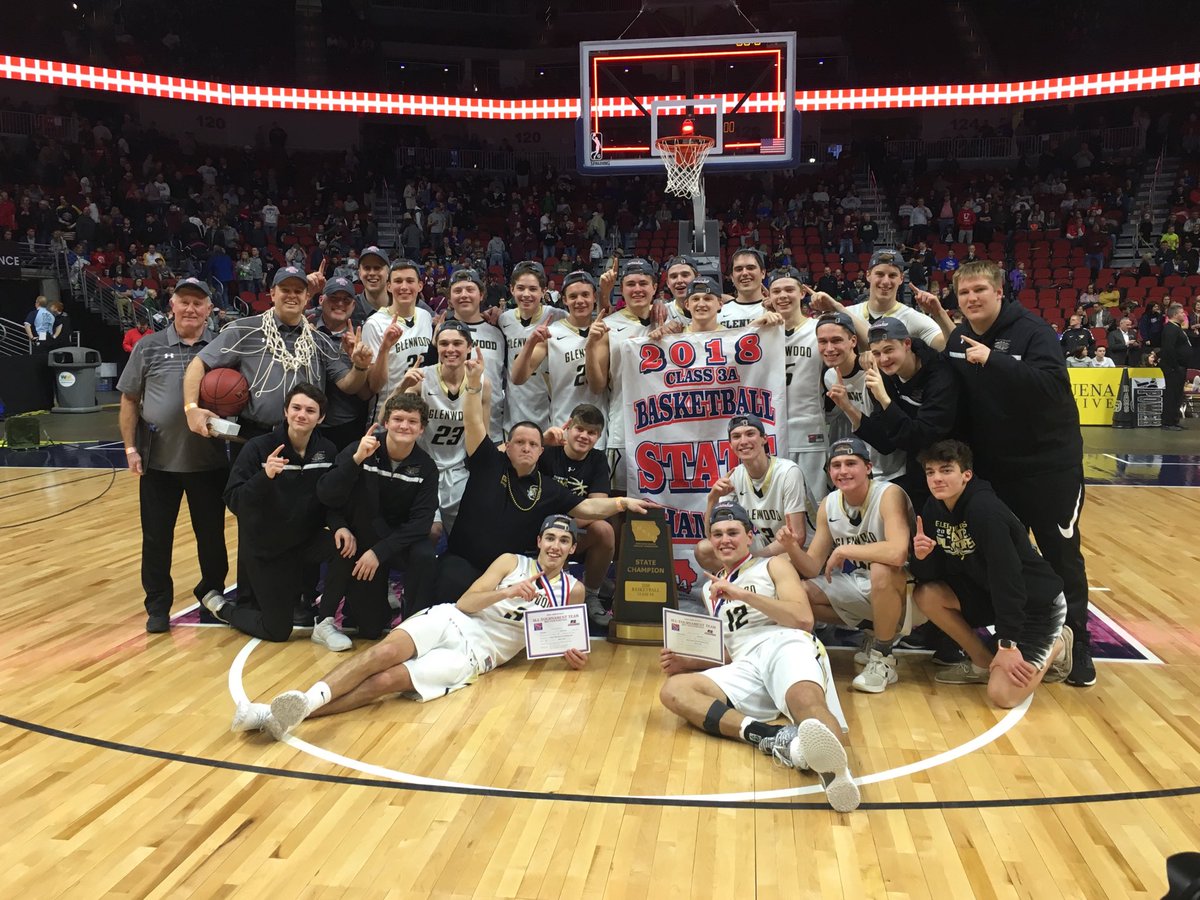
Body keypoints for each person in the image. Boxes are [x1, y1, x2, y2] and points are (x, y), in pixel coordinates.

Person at [231, 514, 587, 739]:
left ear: (572, 549)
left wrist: (568, 655)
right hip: (454, 619)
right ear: (539, 541)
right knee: (383, 653)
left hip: (479, 655)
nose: (556, 546)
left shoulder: (574, 590)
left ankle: (275, 715)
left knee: (387, 682)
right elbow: (466, 602)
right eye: (551, 538)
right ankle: (292, 707)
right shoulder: (512, 562)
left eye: (564, 541)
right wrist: (507, 591)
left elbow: (552, 639)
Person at [939, 260, 1096, 686]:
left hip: (1050, 469)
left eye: (979, 291)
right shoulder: (958, 337)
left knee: (1061, 555)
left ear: (999, 292)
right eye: (964, 293)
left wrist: (994, 360)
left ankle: (1077, 643)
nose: (971, 299)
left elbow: (1052, 388)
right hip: (995, 470)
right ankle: (1007, 639)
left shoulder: (1033, 331)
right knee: (999, 556)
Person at [658, 502, 859, 813]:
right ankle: (775, 738)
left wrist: (744, 595)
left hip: (785, 642)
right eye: (717, 534)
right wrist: (688, 662)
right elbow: (727, 650)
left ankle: (838, 776)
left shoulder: (774, 565)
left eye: (733, 533)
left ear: (749, 537)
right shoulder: (710, 590)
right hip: (744, 663)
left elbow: (803, 619)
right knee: (674, 690)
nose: (725, 539)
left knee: (805, 700)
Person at [435, 344, 652, 605]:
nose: (526, 448)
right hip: (463, 561)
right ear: (507, 446)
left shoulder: (547, 487)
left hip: (513, 572)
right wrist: (472, 385)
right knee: (446, 608)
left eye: (533, 444)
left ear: (541, 451)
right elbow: (472, 421)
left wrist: (622, 503)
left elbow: (587, 506)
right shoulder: (488, 462)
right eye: (519, 442)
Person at [911, 440, 1074, 705]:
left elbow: (1006, 577)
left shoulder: (985, 511)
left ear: (966, 475)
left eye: (946, 470)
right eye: (930, 472)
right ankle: (982, 663)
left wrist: (1008, 644)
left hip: (1036, 606)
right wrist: (921, 558)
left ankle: (1059, 643)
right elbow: (931, 575)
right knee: (927, 594)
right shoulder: (934, 507)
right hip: (990, 594)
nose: (937, 478)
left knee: (1003, 696)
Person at [117, 278, 229, 633]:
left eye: (199, 303)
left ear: (209, 310)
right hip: (158, 462)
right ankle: (158, 606)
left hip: (209, 461)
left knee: (211, 535)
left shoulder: (223, 348)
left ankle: (212, 596)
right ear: (172, 306)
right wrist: (130, 448)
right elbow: (130, 399)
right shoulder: (148, 347)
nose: (191, 309)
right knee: (156, 537)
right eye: (185, 302)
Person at [203, 383, 352, 642]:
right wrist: (265, 476)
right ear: (285, 411)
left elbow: (330, 500)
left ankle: (325, 621)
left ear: (321, 418)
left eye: (310, 410)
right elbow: (234, 500)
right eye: (296, 408)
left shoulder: (327, 450)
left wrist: (339, 526)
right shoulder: (258, 448)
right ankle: (224, 609)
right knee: (277, 630)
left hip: (305, 541)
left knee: (346, 547)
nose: (301, 415)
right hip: (266, 549)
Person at [183, 265, 373, 445]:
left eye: (298, 291)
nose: (292, 296)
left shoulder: (319, 340)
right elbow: (199, 363)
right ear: (273, 293)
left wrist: (360, 366)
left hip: (304, 438)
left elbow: (348, 385)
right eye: (285, 290)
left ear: (307, 297)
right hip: (253, 436)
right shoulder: (244, 330)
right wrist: (191, 408)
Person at [788, 437, 916, 694]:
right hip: (863, 583)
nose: (843, 471)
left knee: (881, 567)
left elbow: (898, 552)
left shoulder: (888, 494)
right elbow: (812, 566)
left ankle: (883, 657)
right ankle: (875, 631)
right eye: (836, 465)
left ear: (868, 467)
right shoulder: (830, 503)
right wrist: (790, 547)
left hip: (909, 590)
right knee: (798, 593)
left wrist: (845, 549)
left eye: (851, 463)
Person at [313, 393, 439, 648]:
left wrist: (379, 553)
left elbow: (421, 523)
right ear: (387, 422)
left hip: (393, 544)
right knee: (370, 629)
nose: (404, 426)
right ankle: (324, 620)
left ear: (421, 428)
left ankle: (415, 624)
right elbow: (327, 495)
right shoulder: (361, 449)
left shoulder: (426, 467)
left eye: (412, 421)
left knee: (425, 554)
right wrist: (356, 459)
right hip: (361, 538)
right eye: (398, 419)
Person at [854, 317, 958, 512]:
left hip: (953, 463)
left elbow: (922, 437)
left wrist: (885, 400)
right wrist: (847, 406)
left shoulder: (940, 375)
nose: (883, 359)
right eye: (876, 353)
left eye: (889, 350)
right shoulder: (883, 376)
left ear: (907, 344)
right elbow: (886, 443)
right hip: (917, 465)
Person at [401, 321, 492, 536]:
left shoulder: (482, 383)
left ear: (469, 346)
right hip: (423, 466)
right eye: (444, 344)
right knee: (432, 532)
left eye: (457, 343)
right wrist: (401, 386)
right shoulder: (421, 378)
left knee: (468, 533)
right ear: (437, 346)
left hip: (458, 469)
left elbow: (482, 439)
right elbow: (385, 417)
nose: (450, 349)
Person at [697, 414, 807, 572]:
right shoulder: (735, 476)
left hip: (799, 550)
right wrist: (712, 499)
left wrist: (754, 561)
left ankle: (747, 583)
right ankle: (743, 584)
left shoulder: (788, 472)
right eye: (736, 436)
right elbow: (713, 536)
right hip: (767, 545)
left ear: (764, 439)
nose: (743, 441)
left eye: (750, 434)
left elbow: (797, 537)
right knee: (704, 549)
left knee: (777, 568)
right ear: (730, 444)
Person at [585, 258, 658, 495]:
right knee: (618, 502)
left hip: (665, 428)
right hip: (623, 430)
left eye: (643, 283)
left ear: (654, 287)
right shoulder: (608, 325)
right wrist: (590, 348)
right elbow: (597, 386)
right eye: (630, 284)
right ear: (622, 289)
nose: (637, 289)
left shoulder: (670, 321)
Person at [512, 270, 608, 449]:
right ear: (564, 300)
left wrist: (591, 347)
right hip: (562, 427)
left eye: (585, 295)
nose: (579, 301)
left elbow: (597, 387)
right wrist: (530, 343)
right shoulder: (552, 332)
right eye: (573, 296)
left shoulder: (603, 332)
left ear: (594, 297)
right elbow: (517, 378)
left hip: (596, 430)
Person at [539, 404, 614, 629]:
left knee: (605, 530)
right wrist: (541, 441)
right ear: (568, 427)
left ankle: (591, 594)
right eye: (579, 429)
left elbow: (598, 505)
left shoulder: (598, 460)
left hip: (576, 528)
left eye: (591, 433)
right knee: (555, 536)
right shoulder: (547, 452)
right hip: (541, 529)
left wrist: (566, 529)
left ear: (598, 436)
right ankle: (552, 595)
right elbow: (505, 454)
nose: (584, 436)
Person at [818, 312, 906, 484]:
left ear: (853, 341)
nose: (829, 348)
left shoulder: (875, 372)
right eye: (823, 342)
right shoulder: (829, 376)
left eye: (836, 340)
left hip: (894, 471)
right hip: (862, 471)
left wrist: (847, 407)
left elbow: (887, 442)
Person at [362, 258, 435, 415]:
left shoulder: (425, 316)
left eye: (410, 281)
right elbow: (374, 386)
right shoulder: (374, 324)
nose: (404, 287)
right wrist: (385, 348)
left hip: (421, 408)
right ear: (389, 286)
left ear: (420, 286)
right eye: (398, 281)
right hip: (388, 411)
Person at [499, 260, 564, 433]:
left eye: (533, 289)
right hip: (514, 408)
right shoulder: (503, 319)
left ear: (544, 291)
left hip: (547, 408)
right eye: (520, 288)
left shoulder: (559, 316)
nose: (526, 294)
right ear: (512, 289)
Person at [443, 268, 507, 439]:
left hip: (492, 429)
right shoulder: (440, 332)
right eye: (457, 291)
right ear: (449, 299)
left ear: (481, 295)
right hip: (450, 433)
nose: (464, 295)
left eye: (470, 290)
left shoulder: (498, 332)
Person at [311, 277, 372, 451]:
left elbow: (365, 394)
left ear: (353, 305)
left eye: (346, 300)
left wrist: (357, 362)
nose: (340, 304)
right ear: (321, 300)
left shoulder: (363, 336)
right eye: (334, 298)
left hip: (345, 426)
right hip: (305, 423)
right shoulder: (305, 327)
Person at [1160, 302, 1193, 431]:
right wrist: (1175, 366)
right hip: (1173, 368)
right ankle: (1167, 422)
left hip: (1180, 366)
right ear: (1174, 314)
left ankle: (1174, 420)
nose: (1184, 314)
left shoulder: (1177, 327)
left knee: (1178, 394)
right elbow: (1168, 349)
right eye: (1181, 312)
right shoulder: (1170, 328)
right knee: (1171, 394)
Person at [718, 249, 768, 327]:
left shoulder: (777, 309)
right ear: (732, 277)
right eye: (739, 269)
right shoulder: (718, 313)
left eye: (750, 268)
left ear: (763, 273)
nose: (744, 273)